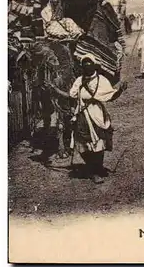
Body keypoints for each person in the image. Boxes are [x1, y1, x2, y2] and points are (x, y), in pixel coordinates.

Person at [47, 54, 127, 184]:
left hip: (97, 114)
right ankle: (92, 169)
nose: (87, 65)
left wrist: (120, 91)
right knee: (82, 143)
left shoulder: (101, 80)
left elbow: (111, 96)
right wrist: (55, 89)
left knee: (99, 142)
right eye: (84, 63)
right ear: (82, 66)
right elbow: (71, 95)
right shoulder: (79, 80)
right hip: (82, 115)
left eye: (90, 62)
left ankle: (97, 169)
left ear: (95, 65)